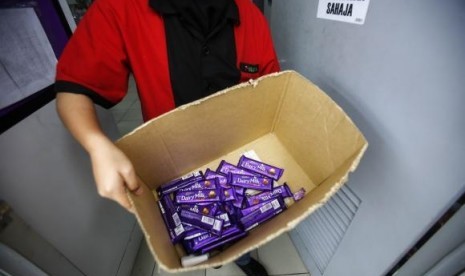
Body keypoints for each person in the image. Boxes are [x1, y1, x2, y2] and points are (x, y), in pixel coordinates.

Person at [55, 0, 280, 274]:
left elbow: (271, 88)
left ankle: (241, 257)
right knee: (196, 229)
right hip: (172, 163)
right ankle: (208, 248)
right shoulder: (119, 7)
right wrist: (96, 145)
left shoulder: (250, 15)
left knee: (241, 224)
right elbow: (73, 87)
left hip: (235, 157)